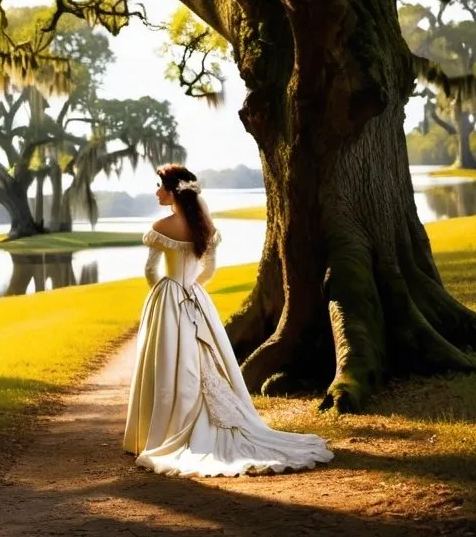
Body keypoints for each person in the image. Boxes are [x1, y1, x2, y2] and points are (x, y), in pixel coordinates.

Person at [122, 163, 333, 477]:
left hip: (169, 299)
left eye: (160, 186)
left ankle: (160, 430)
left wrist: (166, 292)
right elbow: (208, 271)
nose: (157, 192)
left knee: (167, 361)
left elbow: (151, 272)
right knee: (204, 359)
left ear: (173, 191)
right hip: (196, 298)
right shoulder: (205, 226)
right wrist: (192, 289)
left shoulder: (162, 227)